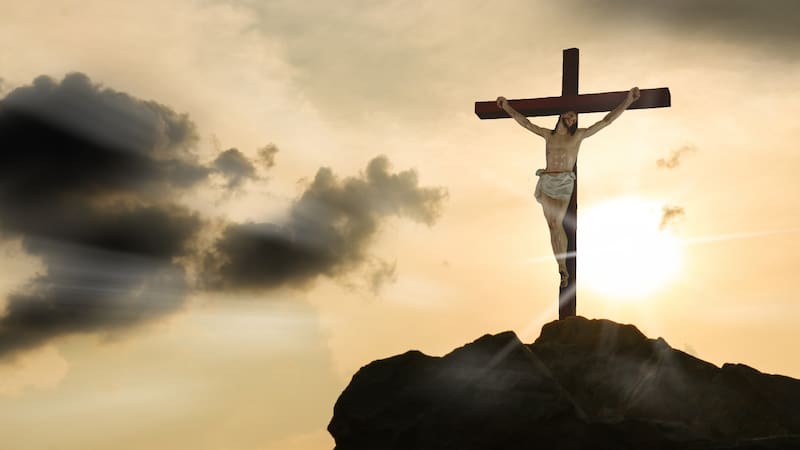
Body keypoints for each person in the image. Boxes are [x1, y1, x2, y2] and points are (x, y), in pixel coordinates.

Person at [496, 87, 641, 287]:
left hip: (564, 182)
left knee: (559, 222)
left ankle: (562, 267)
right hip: (547, 181)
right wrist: (507, 107)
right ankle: (561, 267)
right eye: (570, 116)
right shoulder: (549, 135)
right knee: (552, 226)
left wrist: (627, 101)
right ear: (562, 115)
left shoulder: (578, 136)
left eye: (574, 118)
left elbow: (605, 121)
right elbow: (526, 123)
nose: (572, 120)